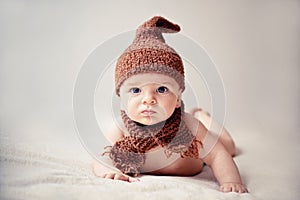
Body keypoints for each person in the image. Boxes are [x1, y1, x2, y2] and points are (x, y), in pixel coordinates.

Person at [93, 16, 248, 193]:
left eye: (161, 89)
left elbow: (218, 155)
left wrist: (231, 181)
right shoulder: (121, 130)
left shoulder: (188, 125)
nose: (148, 99)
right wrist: (109, 171)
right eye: (136, 90)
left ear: (177, 97)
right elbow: (101, 157)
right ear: (121, 97)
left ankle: (202, 115)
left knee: (228, 146)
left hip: (198, 160)